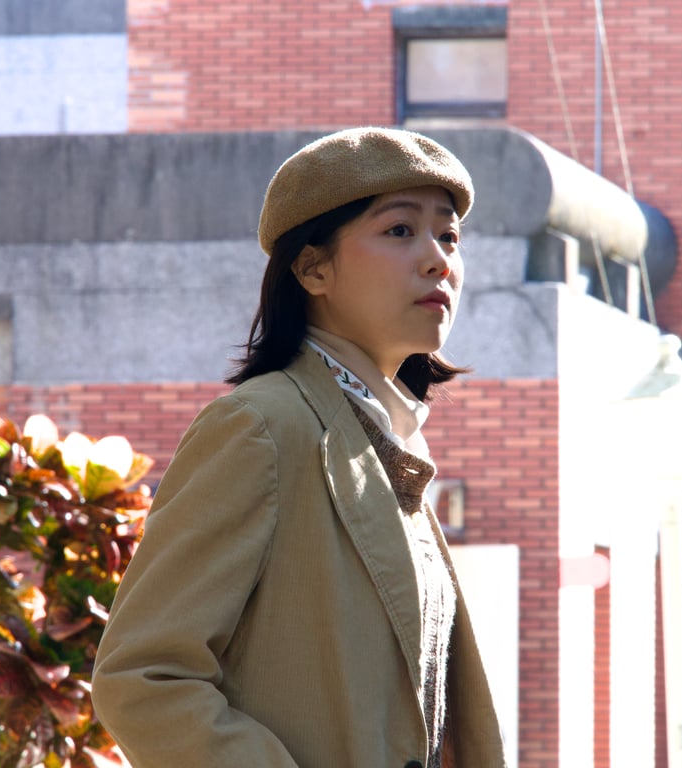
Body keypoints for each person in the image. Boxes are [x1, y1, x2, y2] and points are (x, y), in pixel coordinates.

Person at [91, 127, 507, 768]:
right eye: (400, 230)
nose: (438, 260)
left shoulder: (389, 443)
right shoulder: (261, 427)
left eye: (448, 236)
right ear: (313, 268)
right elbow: (143, 678)